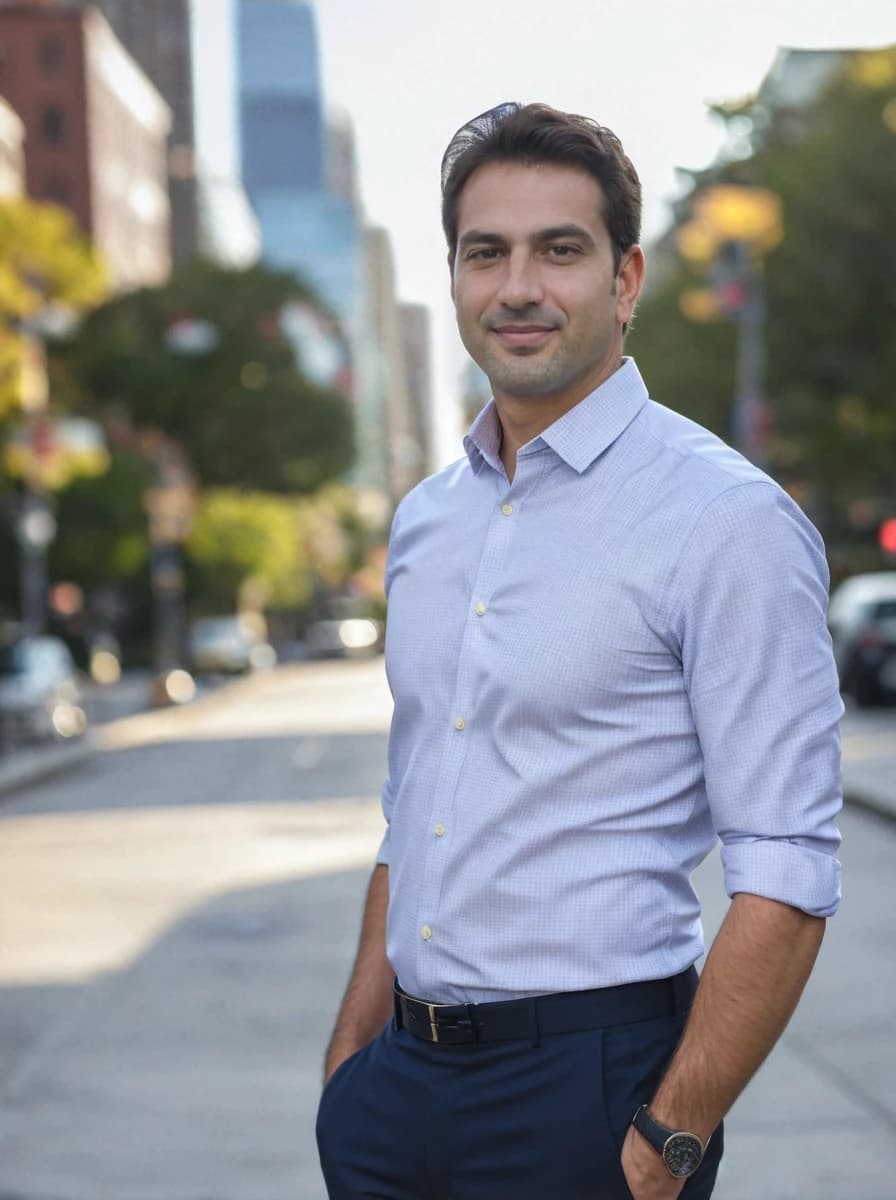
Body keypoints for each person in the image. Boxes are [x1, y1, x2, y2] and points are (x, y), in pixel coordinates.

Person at [316, 102, 843, 1200]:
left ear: (625, 277)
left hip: (590, 1098)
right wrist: (349, 1065)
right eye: (484, 252)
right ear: (453, 276)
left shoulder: (722, 519)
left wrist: (670, 1140)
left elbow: (785, 868)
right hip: (394, 1097)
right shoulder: (424, 520)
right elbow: (410, 808)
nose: (517, 287)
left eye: (559, 249)